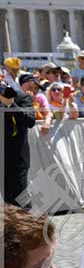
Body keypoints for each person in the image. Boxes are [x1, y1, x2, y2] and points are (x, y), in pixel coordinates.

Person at [1, 77, 36, 207]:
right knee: (7, 200)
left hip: (17, 157)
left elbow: (30, 121)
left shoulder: (21, 97)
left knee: (20, 198)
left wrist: (11, 105)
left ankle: (28, 219)